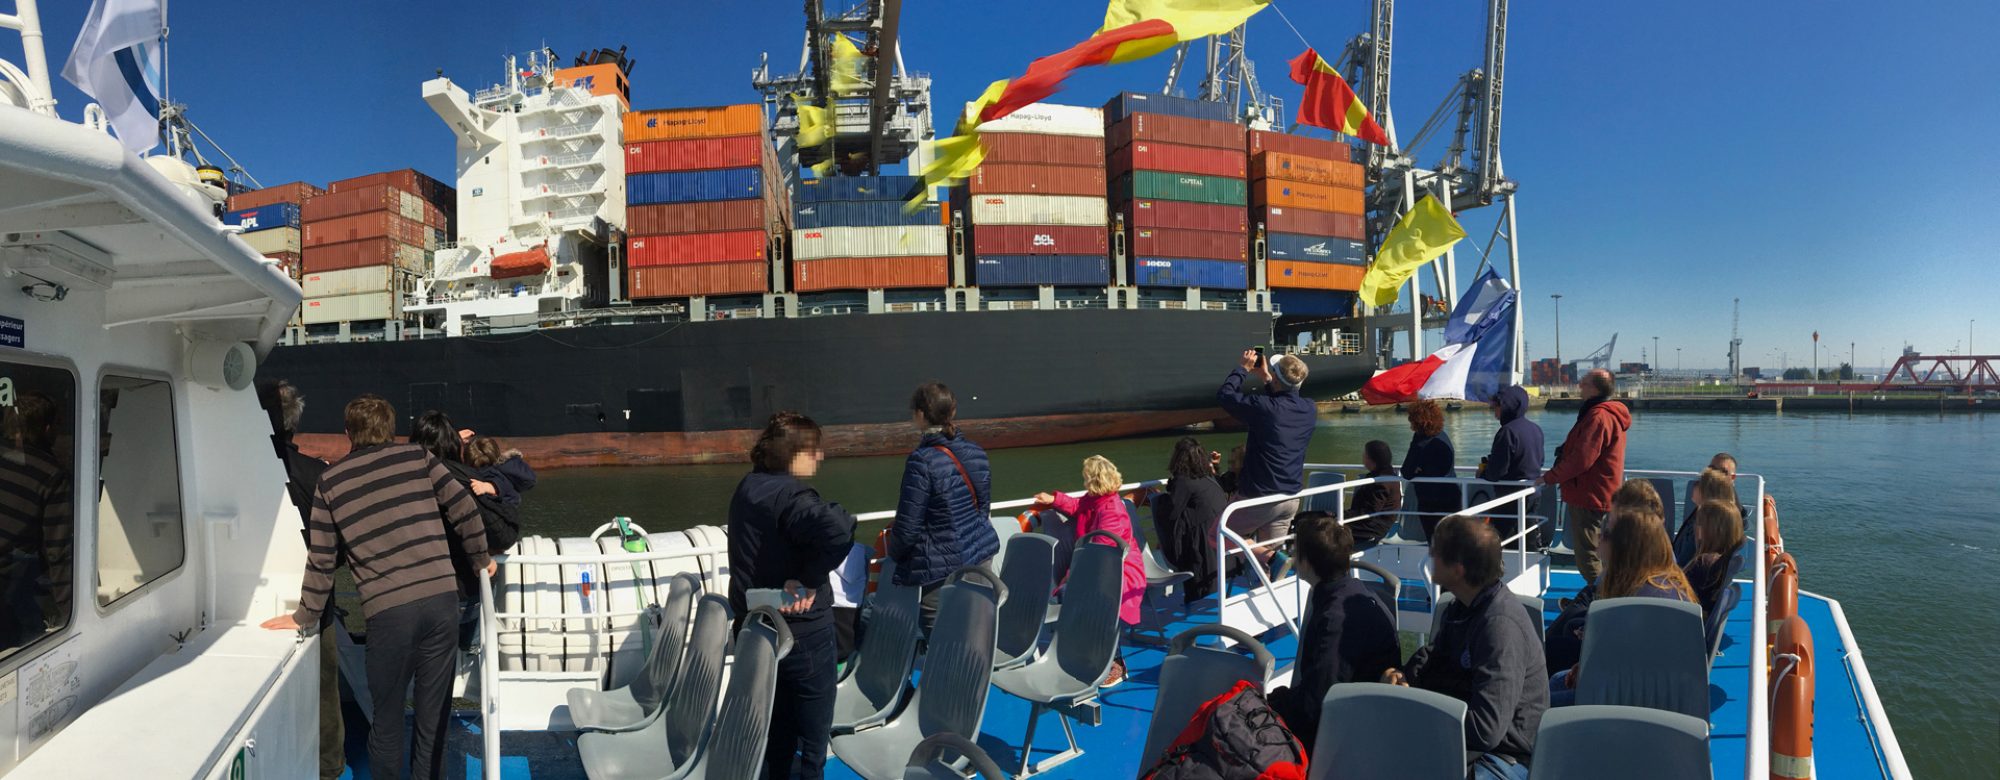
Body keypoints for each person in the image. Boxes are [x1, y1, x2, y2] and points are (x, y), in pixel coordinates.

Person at [262, 395, 492, 780]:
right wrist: (481, 559)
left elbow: (321, 559)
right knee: (432, 718)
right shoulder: (419, 458)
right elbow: (465, 509)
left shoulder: (330, 482)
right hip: (440, 605)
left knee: (386, 724)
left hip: (389, 616)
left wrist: (303, 615)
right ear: (390, 429)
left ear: (348, 433)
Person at [726, 412, 857, 780]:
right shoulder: (791, 496)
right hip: (803, 635)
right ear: (795, 453)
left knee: (775, 728)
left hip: (759, 630)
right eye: (815, 450)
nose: (821, 458)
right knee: (813, 739)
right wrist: (809, 579)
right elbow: (840, 527)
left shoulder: (749, 487)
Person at [1383, 516, 1546, 779]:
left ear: (1458, 569)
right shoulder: (1462, 606)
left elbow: (1487, 730)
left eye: (1435, 551)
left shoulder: (1499, 625)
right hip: (1466, 744)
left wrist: (1416, 713)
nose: (1430, 555)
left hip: (1503, 758)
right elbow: (1434, 657)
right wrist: (1404, 679)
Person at [257, 380, 342, 780]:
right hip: (312, 596)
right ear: (291, 427)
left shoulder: (230, 468)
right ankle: (327, 765)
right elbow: (337, 545)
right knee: (323, 684)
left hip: (246, 599)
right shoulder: (315, 474)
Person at [1266, 512, 1400, 752]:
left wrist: (1273, 704)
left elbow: (1316, 703)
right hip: (1363, 718)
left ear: (1306, 562)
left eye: (1295, 551)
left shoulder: (1335, 619)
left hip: (1343, 735)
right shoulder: (1355, 593)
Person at [1547, 495, 1696, 706]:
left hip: (1630, 702)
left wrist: (1588, 670)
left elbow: (1625, 672)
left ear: (1625, 547)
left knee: (1533, 706)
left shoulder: (1639, 601)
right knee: (1554, 679)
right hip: (1644, 691)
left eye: (1606, 533)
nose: (1599, 536)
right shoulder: (1661, 582)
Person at [888, 382, 999, 634]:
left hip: (940, 569)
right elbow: (983, 509)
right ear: (952, 412)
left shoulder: (921, 461)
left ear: (919, 415)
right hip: (980, 556)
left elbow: (907, 528)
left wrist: (894, 556)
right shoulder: (976, 452)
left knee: (941, 640)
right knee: (975, 631)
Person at [1034, 455, 1146, 686]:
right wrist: (1054, 499)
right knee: (1073, 596)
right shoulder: (1096, 499)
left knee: (1100, 601)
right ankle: (1086, 652)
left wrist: (1074, 576)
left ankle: (1116, 663)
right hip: (1098, 566)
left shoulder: (1112, 510)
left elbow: (1103, 551)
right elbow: (1077, 507)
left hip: (1119, 570)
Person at [1544, 479, 1665, 670]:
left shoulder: (1643, 583)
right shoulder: (1649, 567)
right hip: (1619, 660)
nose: (1602, 534)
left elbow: (1628, 641)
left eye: (1609, 529)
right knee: (1575, 615)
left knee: (1551, 649)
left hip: (1618, 675)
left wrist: (1594, 634)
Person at [1217, 350, 1316, 569]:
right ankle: (1270, 571)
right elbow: (1281, 402)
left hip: (1260, 496)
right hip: (1290, 497)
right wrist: (1267, 379)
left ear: (1279, 380)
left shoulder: (1263, 407)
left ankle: (1272, 559)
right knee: (1269, 554)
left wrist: (1242, 369)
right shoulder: (1309, 408)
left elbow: (1225, 396)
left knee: (1217, 535)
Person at [1538, 369, 1631, 584]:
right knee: (1605, 553)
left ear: (1595, 389)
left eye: (1584, 383)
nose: (1579, 386)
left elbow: (1582, 459)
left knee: (1587, 555)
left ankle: (1602, 603)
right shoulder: (1606, 414)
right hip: (1602, 493)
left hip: (1590, 496)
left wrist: (1549, 478)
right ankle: (1605, 597)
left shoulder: (1598, 416)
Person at [1155, 437, 1226, 601]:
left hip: (1201, 543)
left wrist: (1157, 498)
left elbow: (1171, 512)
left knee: (1198, 588)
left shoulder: (1183, 480)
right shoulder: (1208, 477)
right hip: (1218, 533)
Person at [1480, 385, 1545, 547]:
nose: (1493, 410)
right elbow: (1539, 461)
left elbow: (1497, 472)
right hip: (1532, 494)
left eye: (1496, 406)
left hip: (1509, 498)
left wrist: (1482, 473)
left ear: (1506, 406)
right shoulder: (1535, 429)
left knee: (1502, 544)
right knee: (1528, 541)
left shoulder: (1507, 432)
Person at [1401, 400, 1459, 539]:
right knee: (1449, 544)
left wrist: (1418, 470)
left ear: (1418, 422)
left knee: (1436, 543)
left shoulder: (1422, 443)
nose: (1411, 425)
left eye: (1412, 421)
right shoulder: (1442, 436)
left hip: (1431, 502)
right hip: (1452, 496)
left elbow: (1407, 472)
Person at [1682, 500, 1745, 613]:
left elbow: (1676, 594)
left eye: (1697, 523)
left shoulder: (1703, 563)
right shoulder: (1720, 563)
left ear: (1706, 530)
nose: (1694, 527)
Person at [1672, 464, 1738, 567]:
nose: (1694, 485)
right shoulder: (1704, 518)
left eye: (1699, 483)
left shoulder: (1702, 528)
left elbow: (1683, 560)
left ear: (1707, 492)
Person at [1346, 440, 1402, 548]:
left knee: (1322, 525)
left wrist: (1339, 515)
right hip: (1371, 523)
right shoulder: (1387, 475)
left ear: (1371, 459)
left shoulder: (1381, 482)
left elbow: (1369, 513)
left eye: (1364, 454)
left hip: (1372, 528)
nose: (1362, 457)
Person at [464, 434, 537, 508]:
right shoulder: (497, 469)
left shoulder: (492, 473)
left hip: (505, 513)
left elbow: (502, 484)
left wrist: (487, 487)